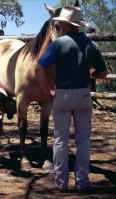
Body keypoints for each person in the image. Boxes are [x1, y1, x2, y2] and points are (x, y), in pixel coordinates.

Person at [37, 6, 108, 191]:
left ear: (66, 25)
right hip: (83, 94)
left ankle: (61, 183)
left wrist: (46, 89)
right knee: (83, 140)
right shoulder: (92, 45)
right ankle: (82, 182)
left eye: (60, 23)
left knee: (60, 139)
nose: (59, 25)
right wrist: (90, 73)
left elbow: (41, 67)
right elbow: (102, 74)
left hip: (61, 94)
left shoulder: (58, 44)